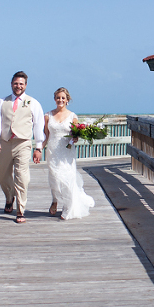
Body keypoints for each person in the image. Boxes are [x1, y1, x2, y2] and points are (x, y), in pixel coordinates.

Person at [0, 71, 45, 224]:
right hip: (6, 143)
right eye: (16, 83)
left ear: (25, 85)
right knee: (3, 175)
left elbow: (38, 126)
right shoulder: (1, 102)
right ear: (11, 84)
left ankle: (21, 210)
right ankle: (9, 197)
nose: (18, 86)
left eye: (21, 84)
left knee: (22, 177)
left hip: (23, 143)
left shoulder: (33, 103)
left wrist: (38, 147)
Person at [43, 87, 95, 220]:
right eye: (58, 98)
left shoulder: (73, 116)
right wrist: (39, 149)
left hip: (67, 151)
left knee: (67, 177)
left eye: (63, 98)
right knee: (54, 177)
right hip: (53, 150)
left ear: (67, 100)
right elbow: (46, 135)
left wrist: (75, 138)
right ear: (54, 99)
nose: (60, 100)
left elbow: (75, 135)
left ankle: (68, 206)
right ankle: (55, 200)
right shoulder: (48, 115)